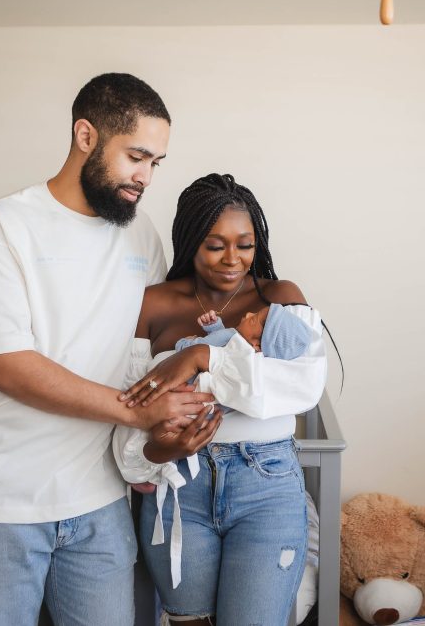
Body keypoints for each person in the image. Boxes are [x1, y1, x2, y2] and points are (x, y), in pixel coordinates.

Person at [0, 73, 215, 626]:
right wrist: (135, 409)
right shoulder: (5, 225)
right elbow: (4, 366)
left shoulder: (141, 235)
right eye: (136, 156)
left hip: (96, 500)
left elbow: (153, 345)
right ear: (86, 136)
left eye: (156, 163)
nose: (145, 177)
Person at [113, 173, 327, 626]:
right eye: (215, 245)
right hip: (178, 489)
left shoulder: (279, 301)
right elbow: (130, 408)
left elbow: (301, 390)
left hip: (265, 485)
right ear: (190, 242)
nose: (234, 259)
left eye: (245, 244)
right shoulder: (152, 304)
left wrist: (200, 355)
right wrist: (159, 450)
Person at [176, 304, 312, 359]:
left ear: (257, 345)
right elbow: (222, 348)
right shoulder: (248, 358)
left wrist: (185, 341)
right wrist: (215, 328)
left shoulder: (230, 335)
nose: (248, 314)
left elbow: (189, 351)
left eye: (253, 319)